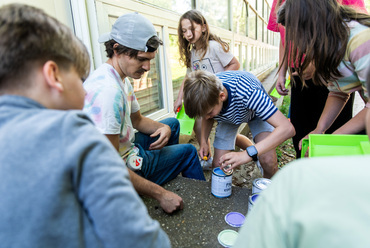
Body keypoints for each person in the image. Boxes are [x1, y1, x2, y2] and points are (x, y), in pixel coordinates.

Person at [0, 4, 170, 247]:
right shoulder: (76, 134)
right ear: (54, 75)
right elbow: (146, 241)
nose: (85, 90)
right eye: (80, 79)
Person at [83, 12, 205, 214]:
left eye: (150, 59)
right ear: (117, 49)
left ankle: (164, 168)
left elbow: (137, 120)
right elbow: (110, 168)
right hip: (119, 171)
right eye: (141, 59)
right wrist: (160, 195)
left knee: (172, 125)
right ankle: (200, 207)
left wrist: (164, 127)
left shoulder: (118, 76)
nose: (147, 67)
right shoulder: (108, 93)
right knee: (190, 152)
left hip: (124, 146)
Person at [233, 69, 370, 248]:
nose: (295, 71)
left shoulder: (359, 50)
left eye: (301, 62)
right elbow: (340, 91)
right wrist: (325, 136)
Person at [268, 0, 367, 158]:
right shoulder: (334, 46)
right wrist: (319, 131)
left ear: (312, 26)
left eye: (299, 37)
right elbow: (339, 92)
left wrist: (330, 141)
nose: (300, 46)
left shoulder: (360, 41)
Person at [183, 70, 295, 178]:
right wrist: (203, 141)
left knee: (268, 161)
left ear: (221, 96)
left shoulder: (249, 92)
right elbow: (207, 118)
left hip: (256, 114)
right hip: (228, 117)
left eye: (209, 113)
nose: (206, 118)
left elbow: (287, 128)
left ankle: (269, 190)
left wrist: (247, 154)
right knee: (218, 165)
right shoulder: (210, 97)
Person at [174, 10, 254, 160]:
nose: (189, 34)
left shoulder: (214, 46)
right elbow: (189, 77)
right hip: (205, 101)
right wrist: (180, 98)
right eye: (184, 31)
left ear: (204, 27)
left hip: (220, 99)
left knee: (230, 136)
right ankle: (206, 155)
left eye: (192, 29)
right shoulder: (192, 53)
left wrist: (214, 82)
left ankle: (254, 151)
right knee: (200, 128)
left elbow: (235, 64)